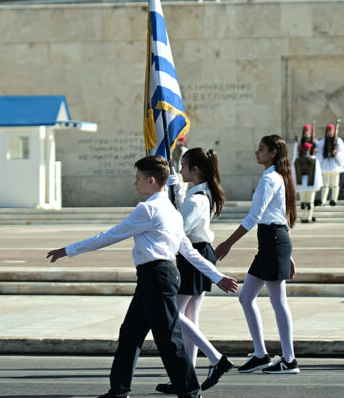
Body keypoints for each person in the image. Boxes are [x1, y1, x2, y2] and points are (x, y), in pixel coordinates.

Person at [46, 155, 238, 398]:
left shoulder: (147, 210)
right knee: (130, 334)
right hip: (158, 276)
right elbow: (188, 252)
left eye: (137, 178)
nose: (134, 183)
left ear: (150, 181)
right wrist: (217, 276)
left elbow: (109, 235)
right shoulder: (172, 211)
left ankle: (189, 391)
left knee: (169, 339)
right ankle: (119, 390)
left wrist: (68, 250)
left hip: (156, 276)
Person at [214, 134, 300, 374]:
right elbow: (281, 215)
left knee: (278, 301)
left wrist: (228, 242)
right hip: (273, 242)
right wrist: (288, 253)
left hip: (273, 241)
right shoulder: (276, 177)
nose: (256, 152)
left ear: (273, 153)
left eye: (261, 149)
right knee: (246, 297)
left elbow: (255, 217)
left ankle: (289, 359)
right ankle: (261, 355)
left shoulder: (270, 179)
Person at [155, 147, 234, 394]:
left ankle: (215, 358)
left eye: (184, 166)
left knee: (173, 314)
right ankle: (185, 377)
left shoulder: (197, 198)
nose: (180, 170)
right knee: (190, 318)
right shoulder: (201, 193)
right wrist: (176, 190)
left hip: (194, 255)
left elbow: (180, 228)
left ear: (195, 169)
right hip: (200, 252)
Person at [315, 124, 344, 206]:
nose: (330, 132)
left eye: (331, 131)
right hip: (326, 166)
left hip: (335, 166)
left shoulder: (338, 141)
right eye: (328, 131)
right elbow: (319, 152)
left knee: (335, 184)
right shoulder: (323, 141)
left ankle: (334, 200)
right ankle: (323, 200)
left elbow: (342, 152)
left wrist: (336, 154)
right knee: (325, 185)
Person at [293, 142, 323, 223]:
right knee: (310, 202)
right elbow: (317, 173)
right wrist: (318, 184)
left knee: (303, 201)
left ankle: (303, 217)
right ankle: (308, 218)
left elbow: (294, 173)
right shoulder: (314, 160)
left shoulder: (297, 160)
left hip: (301, 183)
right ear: (309, 149)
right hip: (311, 182)